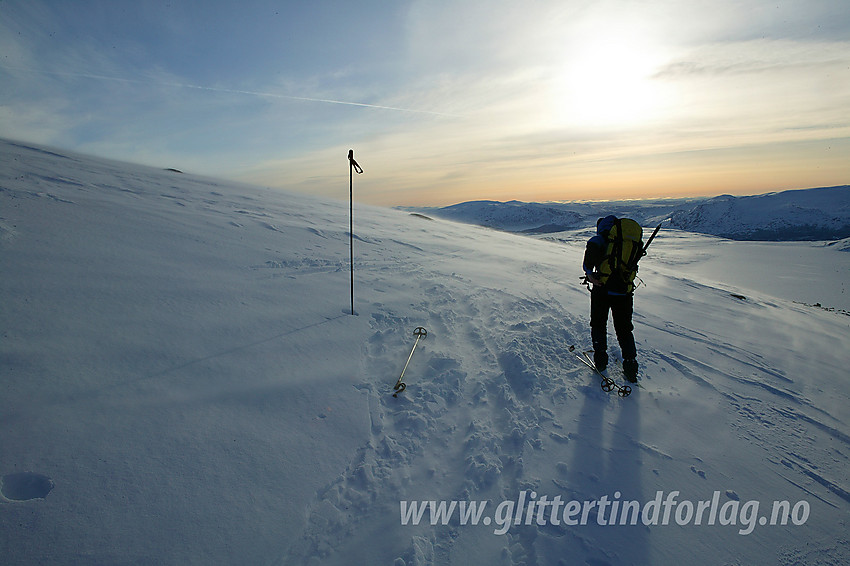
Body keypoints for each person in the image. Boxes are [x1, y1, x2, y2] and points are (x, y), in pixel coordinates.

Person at [582, 215, 639, 381]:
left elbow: (587, 264)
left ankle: (600, 361)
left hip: (602, 290)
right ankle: (630, 367)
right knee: (624, 329)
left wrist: (590, 275)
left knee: (598, 324)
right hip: (624, 291)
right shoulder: (628, 242)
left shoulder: (599, 240)